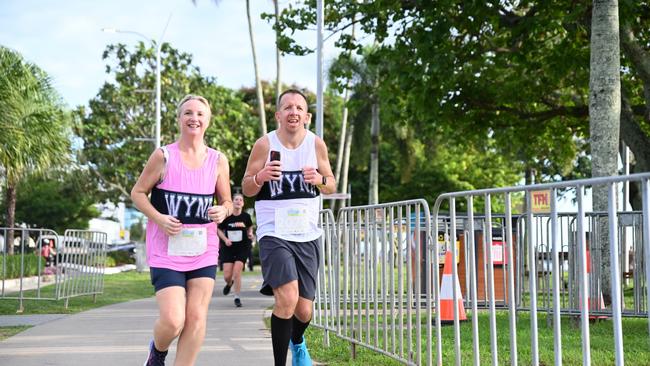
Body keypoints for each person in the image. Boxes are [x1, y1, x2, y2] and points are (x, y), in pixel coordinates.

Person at [131, 94, 232, 366]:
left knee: (197, 317)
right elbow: (138, 193)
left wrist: (223, 210)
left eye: (200, 114)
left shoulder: (218, 161)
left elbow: (227, 201)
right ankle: (157, 353)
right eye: (188, 113)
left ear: (208, 121)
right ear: (179, 119)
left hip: (204, 249)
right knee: (174, 320)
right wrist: (159, 218)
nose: (194, 118)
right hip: (166, 249)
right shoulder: (163, 156)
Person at [242, 89, 336, 366]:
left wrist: (319, 179)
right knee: (287, 298)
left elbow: (331, 184)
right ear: (278, 115)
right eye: (288, 107)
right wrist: (260, 176)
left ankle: (298, 342)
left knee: (304, 310)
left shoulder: (316, 144)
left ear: (306, 116)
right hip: (274, 231)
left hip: (307, 232)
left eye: (299, 108)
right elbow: (247, 187)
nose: (293, 112)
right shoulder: (264, 145)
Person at [217, 193, 254, 307]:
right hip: (228, 247)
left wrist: (250, 233)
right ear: (232, 202)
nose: (238, 201)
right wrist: (225, 239)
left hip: (242, 247)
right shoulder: (227, 217)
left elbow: (250, 227)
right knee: (227, 276)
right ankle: (229, 284)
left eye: (240, 200)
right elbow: (218, 230)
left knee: (237, 272)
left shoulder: (246, 217)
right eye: (236, 199)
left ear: (243, 203)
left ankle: (237, 297)